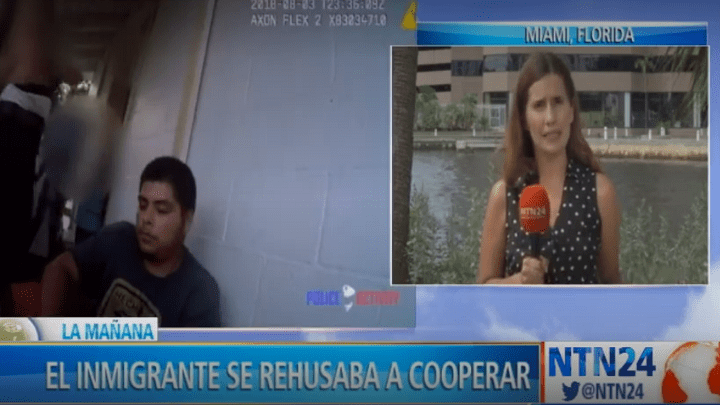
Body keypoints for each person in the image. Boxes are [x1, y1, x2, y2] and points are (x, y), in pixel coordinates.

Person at [477, 52, 622, 285]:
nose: (550, 118)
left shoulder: (600, 193)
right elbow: (483, 287)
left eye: (557, 102)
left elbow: (612, 284)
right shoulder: (504, 195)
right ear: (524, 119)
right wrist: (519, 282)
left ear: (571, 110)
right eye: (538, 105)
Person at [41, 156, 222, 327]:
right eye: (143, 205)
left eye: (161, 210)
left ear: (186, 221)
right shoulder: (119, 238)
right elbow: (60, 266)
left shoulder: (200, 292)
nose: (146, 218)